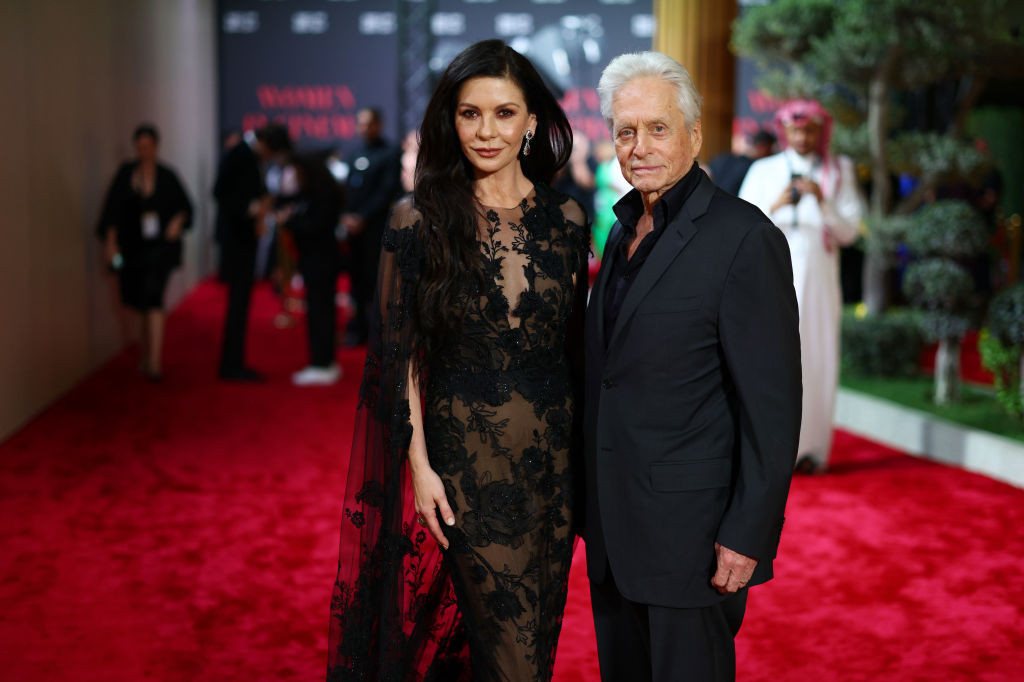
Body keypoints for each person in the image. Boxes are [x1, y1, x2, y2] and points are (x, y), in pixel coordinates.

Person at [327, 39, 589, 681]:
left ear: (532, 122)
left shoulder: (567, 219)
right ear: (451, 120)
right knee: (512, 657)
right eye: (470, 113)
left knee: (532, 647)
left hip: (553, 469)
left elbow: (573, 347)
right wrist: (420, 467)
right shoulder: (417, 221)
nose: (486, 131)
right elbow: (400, 358)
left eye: (504, 113)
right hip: (465, 463)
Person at [584, 52, 802, 682]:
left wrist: (748, 533)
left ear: (694, 133)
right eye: (626, 131)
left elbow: (773, 407)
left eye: (658, 128)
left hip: (693, 542)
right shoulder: (622, 231)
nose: (640, 147)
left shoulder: (745, 238)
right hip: (614, 533)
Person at [739, 100, 865, 473]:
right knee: (771, 359)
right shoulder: (764, 170)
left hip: (820, 283)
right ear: (785, 131)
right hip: (772, 278)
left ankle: (811, 450)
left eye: (809, 130)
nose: (802, 137)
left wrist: (821, 200)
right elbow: (739, 225)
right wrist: (776, 203)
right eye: (795, 130)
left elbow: (850, 232)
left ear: (820, 132)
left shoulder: (837, 171)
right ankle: (770, 449)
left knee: (816, 358)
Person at [97, 123, 193, 381]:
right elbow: (112, 211)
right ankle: (146, 353)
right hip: (134, 249)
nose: (144, 152)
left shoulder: (167, 176)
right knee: (140, 302)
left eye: (148, 147)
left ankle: (154, 361)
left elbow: (186, 207)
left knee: (154, 298)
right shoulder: (127, 174)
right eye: (140, 147)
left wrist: (177, 221)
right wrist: (111, 242)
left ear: (156, 147)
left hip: (160, 249)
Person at [213, 124, 290, 382]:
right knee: (238, 303)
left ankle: (235, 361)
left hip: (246, 238)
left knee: (242, 302)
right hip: (236, 240)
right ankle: (231, 365)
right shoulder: (238, 154)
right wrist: (254, 208)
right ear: (266, 145)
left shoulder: (250, 156)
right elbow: (220, 193)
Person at [276, 152, 345, 385]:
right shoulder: (313, 193)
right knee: (318, 310)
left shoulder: (324, 195)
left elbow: (315, 227)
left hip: (321, 261)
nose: (295, 178)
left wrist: (290, 222)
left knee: (320, 311)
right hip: (315, 261)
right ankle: (322, 360)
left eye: (298, 173)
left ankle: (322, 363)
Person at [339, 107, 402, 346]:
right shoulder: (354, 153)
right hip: (353, 229)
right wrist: (346, 216)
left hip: (376, 228)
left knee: (377, 277)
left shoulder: (390, 152)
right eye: (360, 124)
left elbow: (387, 190)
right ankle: (358, 326)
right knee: (355, 278)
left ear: (378, 125)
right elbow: (347, 188)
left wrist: (363, 217)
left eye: (368, 124)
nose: (363, 128)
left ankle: (379, 328)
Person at [706, 128, 776, 196]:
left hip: (714, 199)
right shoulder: (755, 167)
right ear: (762, 147)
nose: (772, 153)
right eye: (770, 149)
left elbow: (706, 172)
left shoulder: (724, 158)